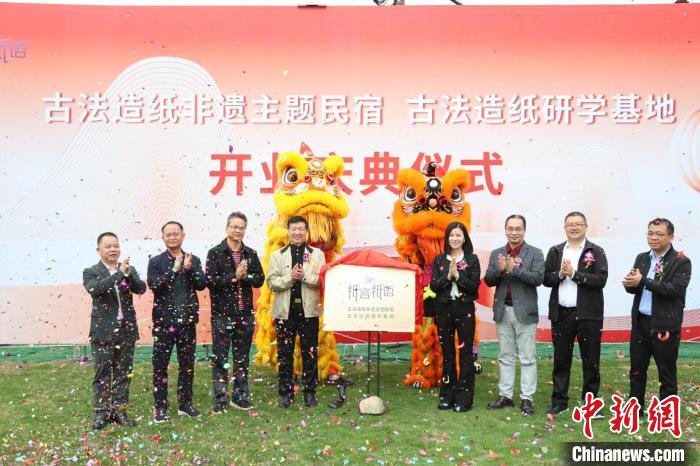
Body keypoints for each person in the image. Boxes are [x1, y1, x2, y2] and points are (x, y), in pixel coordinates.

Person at [622, 218, 691, 413]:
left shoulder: (681, 261)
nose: (653, 237)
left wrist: (643, 281)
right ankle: (635, 407)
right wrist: (630, 284)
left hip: (664, 326)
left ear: (671, 237)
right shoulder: (642, 258)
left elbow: (674, 290)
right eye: (650, 233)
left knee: (666, 372)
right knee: (637, 370)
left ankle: (666, 412)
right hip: (640, 323)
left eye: (659, 234)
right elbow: (636, 288)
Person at [543, 212, 608, 417]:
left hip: (589, 316)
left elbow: (600, 280)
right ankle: (559, 401)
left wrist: (574, 274)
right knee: (561, 360)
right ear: (564, 227)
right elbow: (546, 279)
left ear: (586, 227)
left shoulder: (595, 251)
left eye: (578, 224)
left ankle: (591, 403)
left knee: (591, 361)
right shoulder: (556, 251)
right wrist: (560, 274)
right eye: (570, 224)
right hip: (562, 314)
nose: (574, 227)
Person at [83, 232, 146, 429]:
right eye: (108, 246)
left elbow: (141, 289)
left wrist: (128, 275)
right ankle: (101, 413)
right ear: (99, 250)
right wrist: (118, 274)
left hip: (126, 329)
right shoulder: (91, 272)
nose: (113, 249)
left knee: (123, 372)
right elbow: (96, 289)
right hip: (103, 330)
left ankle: (119, 411)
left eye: (116, 246)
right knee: (102, 372)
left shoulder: (128, 269)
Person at [484, 214, 544, 416]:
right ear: (505, 230)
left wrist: (515, 270)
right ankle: (505, 396)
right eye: (510, 228)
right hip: (503, 311)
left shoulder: (534, 253)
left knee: (527, 358)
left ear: (524, 231)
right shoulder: (497, 253)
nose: (514, 232)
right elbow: (489, 280)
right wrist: (501, 270)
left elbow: (538, 279)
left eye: (518, 228)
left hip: (525, 313)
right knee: (505, 356)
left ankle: (527, 398)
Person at [148, 221, 207, 422]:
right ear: (163, 238)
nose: (172, 237)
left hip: (187, 322)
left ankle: (185, 404)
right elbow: (155, 286)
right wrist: (174, 269)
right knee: (160, 366)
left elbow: (202, 284)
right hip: (164, 323)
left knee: (187, 364)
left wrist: (190, 269)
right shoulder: (156, 262)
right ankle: (160, 407)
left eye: (176, 234)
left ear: (183, 236)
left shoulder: (193, 259)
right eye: (169, 234)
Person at [206, 212, 264, 412]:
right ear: (227, 228)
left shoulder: (250, 253)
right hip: (222, 314)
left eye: (241, 227)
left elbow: (260, 279)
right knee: (220, 358)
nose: (238, 230)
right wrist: (234, 276)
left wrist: (246, 276)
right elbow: (211, 281)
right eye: (234, 227)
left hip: (245, 314)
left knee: (242, 357)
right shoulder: (215, 253)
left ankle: (239, 397)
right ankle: (220, 398)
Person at [267, 215, 326, 408]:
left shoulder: (317, 255)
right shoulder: (277, 255)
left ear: (306, 231)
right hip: (285, 313)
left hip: (309, 312)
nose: (297, 232)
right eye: (294, 229)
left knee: (310, 353)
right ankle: (286, 393)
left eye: (301, 229)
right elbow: (271, 282)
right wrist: (290, 278)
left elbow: (321, 280)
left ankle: (310, 393)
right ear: (288, 231)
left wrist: (304, 276)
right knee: (284, 354)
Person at [430, 221, 481, 412]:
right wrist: (448, 276)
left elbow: (474, 287)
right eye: (451, 235)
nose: (454, 238)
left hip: (464, 309)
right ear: (447, 238)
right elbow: (434, 286)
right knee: (448, 354)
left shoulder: (472, 259)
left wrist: (458, 276)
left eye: (458, 235)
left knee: (466, 354)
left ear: (464, 238)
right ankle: (447, 396)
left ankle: (464, 399)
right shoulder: (439, 260)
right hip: (443, 309)